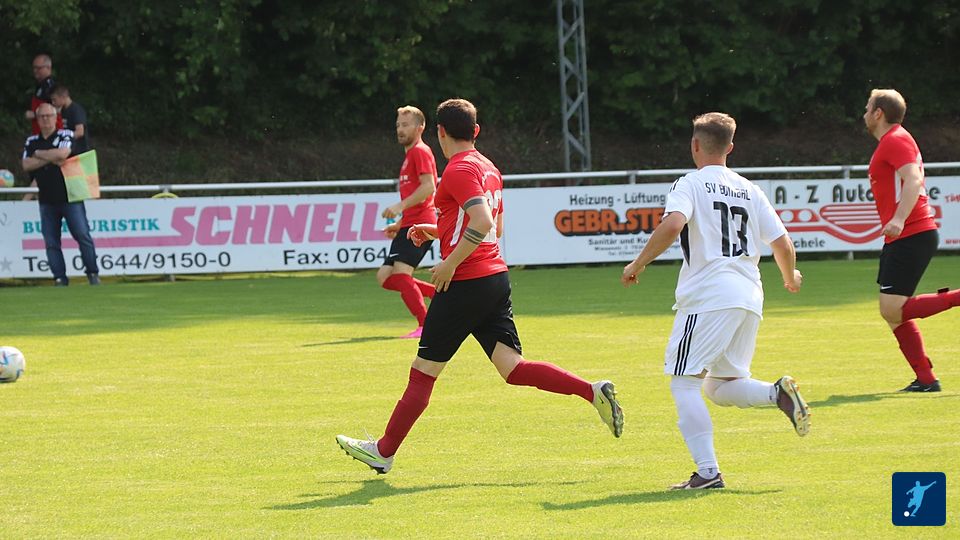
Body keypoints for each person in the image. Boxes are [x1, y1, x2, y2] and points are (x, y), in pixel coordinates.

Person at [336, 98, 624, 474]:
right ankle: (591, 390)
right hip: (494, 279)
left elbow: (483, 222)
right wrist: (433, 230)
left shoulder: (457, 169)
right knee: (513, 368)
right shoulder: (489, 167)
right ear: (476, 131)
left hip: (465, 282)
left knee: (423, 371)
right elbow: (493, 228)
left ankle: (383, 451)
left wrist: (450, 262)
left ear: (440, 132)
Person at [621, 112, 809, 490]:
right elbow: (782, 243)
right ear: (731, 147)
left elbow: (673, 224)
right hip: (749, 296)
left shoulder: (689, 183)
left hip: (709, 296)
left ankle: (708, 473)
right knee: (720, 387)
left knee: (684, 383)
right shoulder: (749, 189)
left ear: (694, 145)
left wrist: (637, 263)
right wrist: (790, 278)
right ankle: (777, 393)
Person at [862, 89, 959, 393]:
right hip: (905, 236)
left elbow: (914, 179)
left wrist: (899, 219)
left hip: (911, 233)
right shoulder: (893, 140)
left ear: (879, 113)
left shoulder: (895, 139)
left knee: (891, 309)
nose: (864, 114)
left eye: (867, 108)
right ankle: (926, 380)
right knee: (894, 314)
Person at [21, 103, 100, 286]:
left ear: (55, 118)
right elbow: (26, 165)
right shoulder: (31, 141)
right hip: (46, 199)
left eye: (49, 116)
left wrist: (39, 154)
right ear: (37, 120)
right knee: (51, 241)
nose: (45, 119)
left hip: (70, 195)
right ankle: (59, 278)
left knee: (82, 235)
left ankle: (92, 273)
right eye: (42, 116)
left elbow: (63, 154)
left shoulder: (65, 134)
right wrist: (51, 157)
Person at [377, 106, 438, 339]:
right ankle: (439, 294)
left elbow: (429, 187)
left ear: (420, 127)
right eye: (398, 125)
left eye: (405, 125)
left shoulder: (420, 151)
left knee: (401, 274)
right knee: (385, 277)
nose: (400, 130)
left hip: (420, 225)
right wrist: (399, 223)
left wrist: (399, 207)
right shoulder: (410, 155)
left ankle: (425, 325)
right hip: (409, 223)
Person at [25, 54, 62, 135]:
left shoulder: (50, 87)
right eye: (34, 68)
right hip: (40, 133)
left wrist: (35, 114)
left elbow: (59, 109)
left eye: (38, 68)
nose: (35, 71)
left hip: (50, 134)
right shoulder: (40, 85)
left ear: (48, 68)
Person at [50, 85, 91, 156]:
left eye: (54, 99)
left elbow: (80, 132)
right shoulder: (62, 110)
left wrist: (64, 138)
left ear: (63, 97)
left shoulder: (76, 110)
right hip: (68, 150)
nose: (53, 102)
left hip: (79, 151)